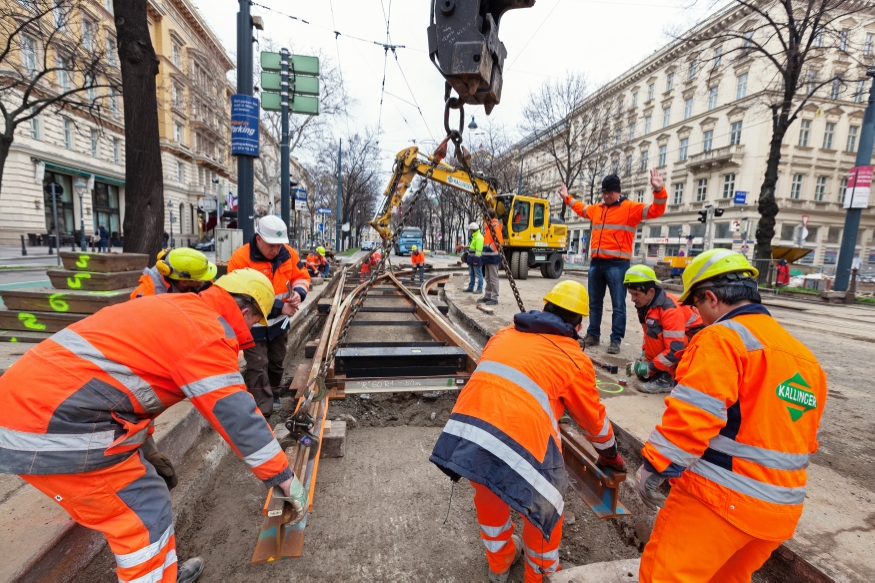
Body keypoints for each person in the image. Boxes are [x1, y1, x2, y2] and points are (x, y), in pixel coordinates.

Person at [0, 268, 309, 583]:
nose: (252, 331)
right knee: (140, 518)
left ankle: (165, 575)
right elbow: (237, 415)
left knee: (149, 495)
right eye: (255, 322)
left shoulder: (175, 310)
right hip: (49, 425)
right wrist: (283, 477)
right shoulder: (207, 333)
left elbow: (120, 388)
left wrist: (146, 449)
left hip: (38, 410)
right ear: (245, 312)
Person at [634, 250, 827, 582]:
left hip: (719, 502)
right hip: (780, 514)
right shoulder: (805, 359)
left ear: (710, 297)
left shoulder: (722, 339)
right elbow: (800, 438)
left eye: (696, 307)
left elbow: (694, 415)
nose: (698, 316)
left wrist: (654, 467)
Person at [431, 280, 626, 582]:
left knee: (490, 494)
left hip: (469, 432)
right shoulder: (573, 358)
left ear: (545, 307)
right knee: (544, 509)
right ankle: (541, 576)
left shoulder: (503, 334)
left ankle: (499, 565)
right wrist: (611, 455)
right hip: (520, 438)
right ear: (578, 323)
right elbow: (593, 422)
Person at [559, 170, 668, 354]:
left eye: (609, 192)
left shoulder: (630, 208)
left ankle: (615, 339)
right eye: (604, 193)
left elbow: (655, 210)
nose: (607, 196)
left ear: (618, 192)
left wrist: (659, 190)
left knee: (618, 304)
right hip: (596, 262)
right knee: (594, 302)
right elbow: (581, 208)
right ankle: (593, 334)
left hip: (618, 264)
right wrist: (566, 197)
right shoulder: (598, 209)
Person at [228, 215, 311, 417]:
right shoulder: (240, 258)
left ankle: (273, 394)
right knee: (258, 366)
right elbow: (243, 296)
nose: (276, 250)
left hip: (279, 325)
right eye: (271, 245)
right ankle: (262, 413)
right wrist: (279, 308)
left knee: (276, 362)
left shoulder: (288, 254)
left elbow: (302, 277)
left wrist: (298, 295)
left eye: (279, 245)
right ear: (258, 239)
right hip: (253, 327)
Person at [622, 264, 703, 394]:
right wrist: (644, 356)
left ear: (651, 292)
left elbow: (675, 349)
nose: (632, 299)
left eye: (636, 294)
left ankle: (667, 378)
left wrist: (649, 367)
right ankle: (660, 371)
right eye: (631, 294)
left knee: (656, 332)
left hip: (698, 345)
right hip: (684, 343)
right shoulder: (644, 305)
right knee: (652, 333)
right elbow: (646, 335)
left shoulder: (669, 309)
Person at [130, 247, 217, 299]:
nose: (205, 281)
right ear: (184, 282)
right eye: (201, 279)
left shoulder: (193, 284)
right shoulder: (149, 296)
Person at [480, 209, 504, 306]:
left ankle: (494, 298)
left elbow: (499, 241)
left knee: (493, 278)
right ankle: (488, 296)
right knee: (488, 278)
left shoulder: (495, 226)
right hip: (488, 256)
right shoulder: (488, 227)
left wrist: (490, 248)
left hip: (493, 256)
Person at [464, 222, 484, 294]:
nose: (470, 231)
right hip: (472, 259)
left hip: (476, 259)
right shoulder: (474, 237)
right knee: (471, 273)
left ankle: (479, 289)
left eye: (470, 230)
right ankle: (470, 287)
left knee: (479, 274)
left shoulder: (479, 237)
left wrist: (476, 260)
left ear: (473, 230)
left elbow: (478, 250)